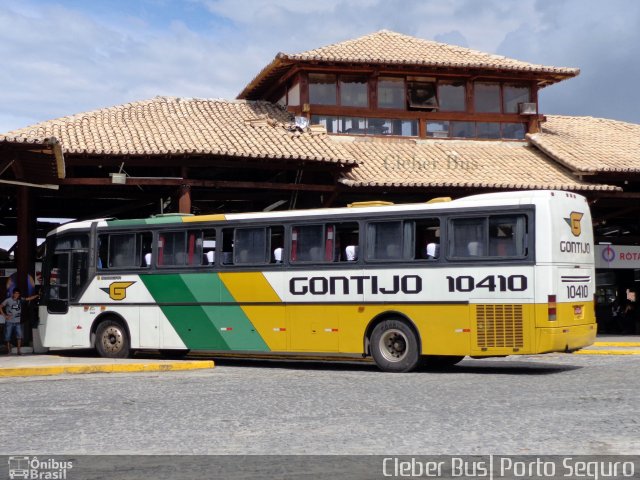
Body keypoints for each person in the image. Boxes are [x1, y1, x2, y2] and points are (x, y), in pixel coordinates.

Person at [1, 288, 39, 355]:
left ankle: (19, 351)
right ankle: (9, 351)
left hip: (17, 322)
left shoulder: (20, 300)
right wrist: (4, 315)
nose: (16, 295)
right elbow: (0, 306)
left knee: (19, 336)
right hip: (9, 322)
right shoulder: (8, 300)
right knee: (8, 337)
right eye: (15, 293)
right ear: (13, 293)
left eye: (18, 293)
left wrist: (37, 295)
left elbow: (28, 298)